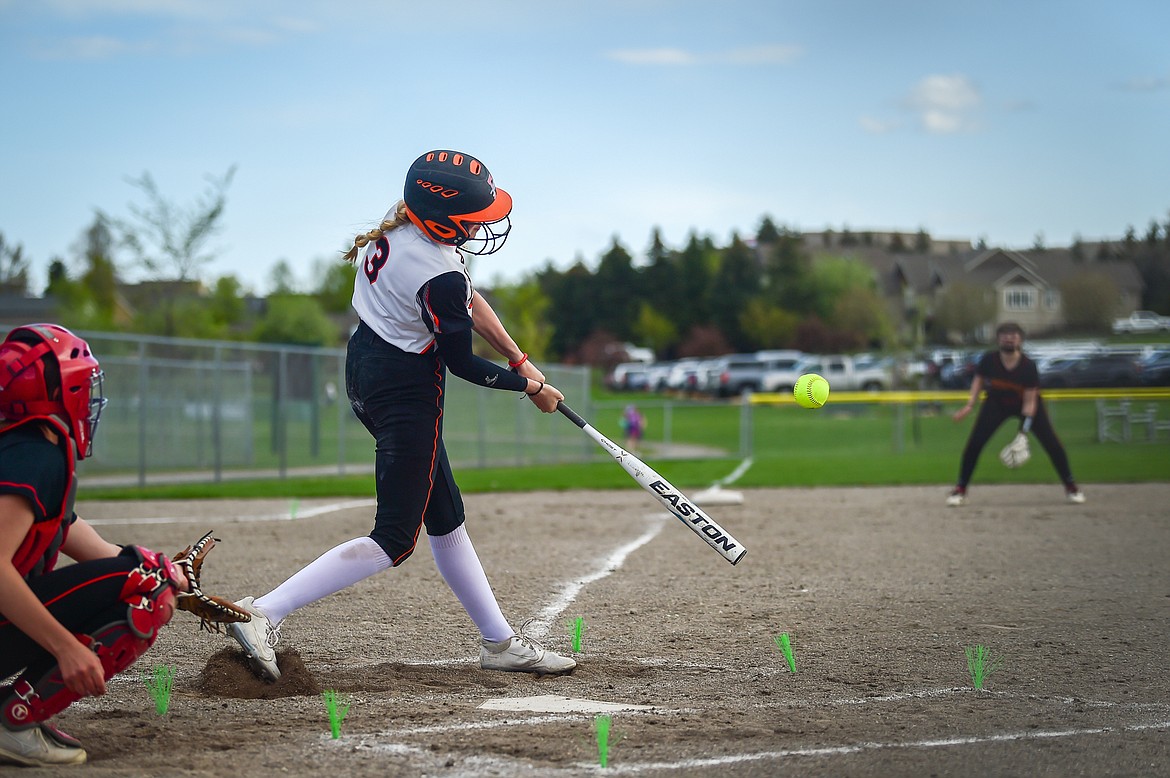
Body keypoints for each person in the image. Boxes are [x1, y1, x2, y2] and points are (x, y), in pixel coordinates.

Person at [227, 149, 575, 682]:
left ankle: (500, 643)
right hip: (405, 392)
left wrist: (519, 356)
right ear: (440, 217)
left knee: (447, 517)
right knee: (394, 539)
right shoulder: (437, 272)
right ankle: (263, 612)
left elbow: (473, 302)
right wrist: (530, 388)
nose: (484, 226)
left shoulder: (410, 236)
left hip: (368, 368)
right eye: (474, 219)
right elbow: (459, 362)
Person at [0, 324, 191, 767]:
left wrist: (166, 572)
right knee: (147, 590)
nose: (88, 399)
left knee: (149, 576)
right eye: (82, 386)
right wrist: (66, 647)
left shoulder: (28, 447)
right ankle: (13, 719)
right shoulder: (33, 456)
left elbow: (82, 541)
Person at [947, 321, 1085, 506]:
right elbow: (978, 380)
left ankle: (1071, 487)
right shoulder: (989, 360)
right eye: (1005, 337)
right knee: (974, 444)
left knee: (1053, 445)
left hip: (1026, 405)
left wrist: (1023, 433)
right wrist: (970, 404)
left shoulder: (1028, 366)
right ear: (998, 340)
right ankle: (960, 489)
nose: (1009, 340)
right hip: (996, 403)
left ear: (1020, 340)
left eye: (1013, 337)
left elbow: (1029, 402)